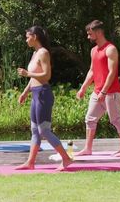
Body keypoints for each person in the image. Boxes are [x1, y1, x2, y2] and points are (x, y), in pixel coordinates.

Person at [15, 26, 72, 171]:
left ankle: (66, 159)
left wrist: (27, 74)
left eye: (27, 37)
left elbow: (46, 76)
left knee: (44, 131)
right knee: (35, 130)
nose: (26, 40)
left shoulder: (44, 53)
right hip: (35, 93)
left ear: (35, 36)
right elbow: (34, 76)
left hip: (43, 94)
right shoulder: (35, 54)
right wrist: (25, 92)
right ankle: (30, 162)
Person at [75, 20, 120, 157]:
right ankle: (88, 149)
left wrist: (104, 91)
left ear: (98, 32)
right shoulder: (93, 50)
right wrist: (83, 88)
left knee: (116, 120)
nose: (88, 37)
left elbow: (112, 73)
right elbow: (92, 71)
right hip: (97, 92)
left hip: (111, 92)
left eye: (90, 34)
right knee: (90, 119)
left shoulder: (110, 49)